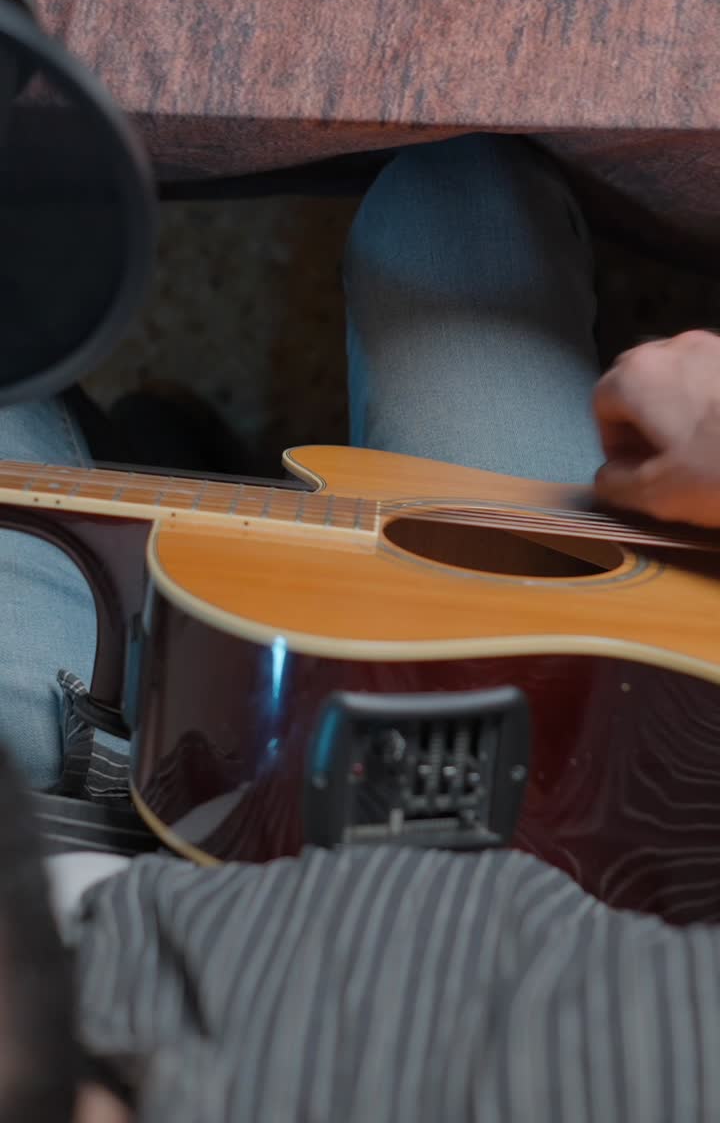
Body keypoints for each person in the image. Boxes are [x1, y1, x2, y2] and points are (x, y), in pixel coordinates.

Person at [2, 132, 720, 1122]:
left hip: (112, 889)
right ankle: (177, 492)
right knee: (457, 200)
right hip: (589, 815)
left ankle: (164, 494)